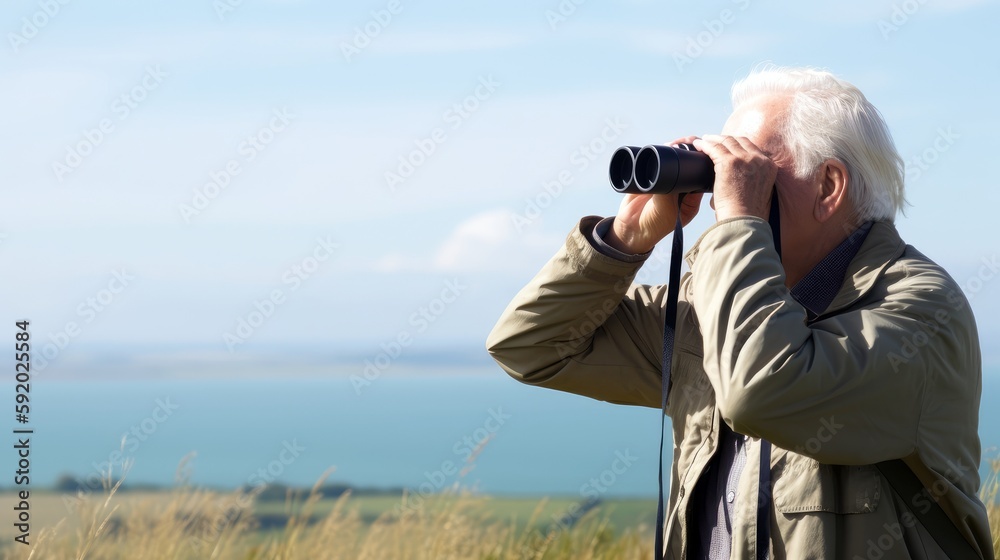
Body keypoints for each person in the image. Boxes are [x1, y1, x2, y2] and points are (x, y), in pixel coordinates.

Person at [486, 66, 994, 559]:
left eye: (749, 169)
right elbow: (529, 347)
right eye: (724, 171)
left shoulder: (919, 311)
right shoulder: (705, 308)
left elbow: (762, 388)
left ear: (828, 187)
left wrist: (738, 223)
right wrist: (623, 242)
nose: (722, 194)